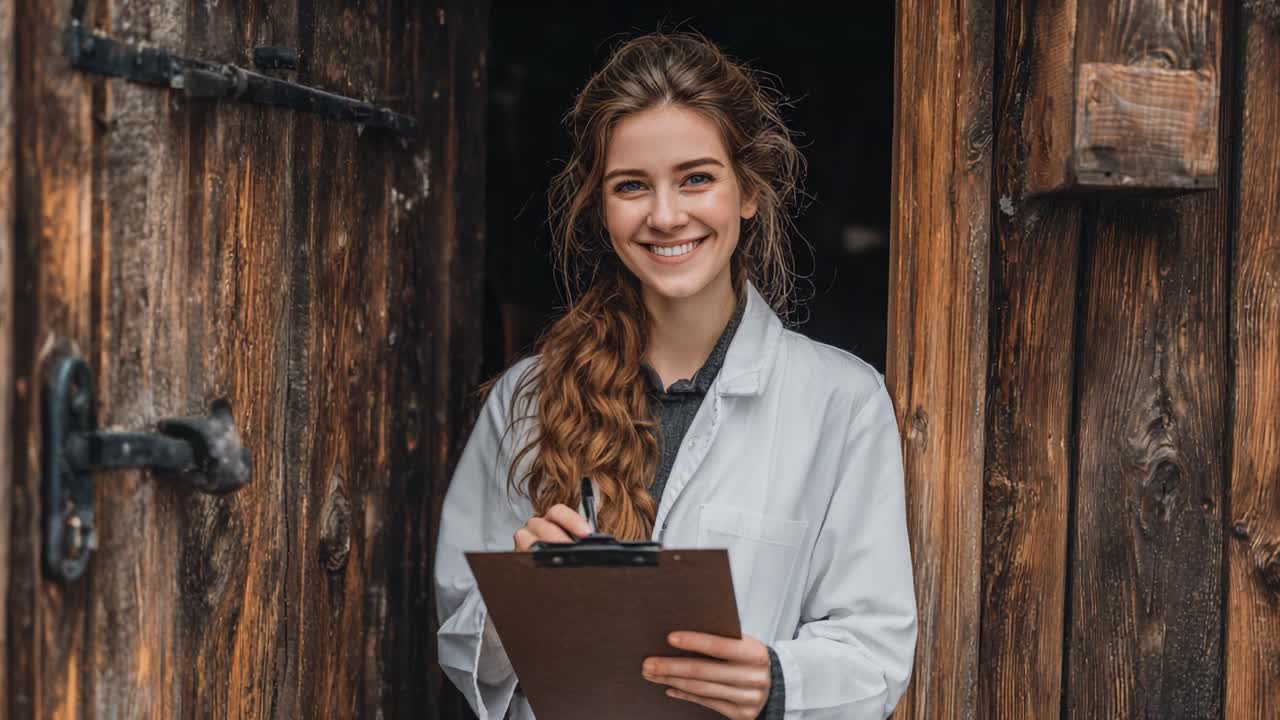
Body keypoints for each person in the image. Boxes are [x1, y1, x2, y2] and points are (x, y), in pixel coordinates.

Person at [434, 31, 916, 720]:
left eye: (696, 178)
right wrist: (521, 605)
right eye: (632, 186)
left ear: (748, 192)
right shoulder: (527, 399)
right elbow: (461, 634)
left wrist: (777, 682)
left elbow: (876, 650)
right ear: (602, 208)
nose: (666, 215)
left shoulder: (842, 403)